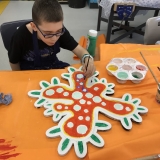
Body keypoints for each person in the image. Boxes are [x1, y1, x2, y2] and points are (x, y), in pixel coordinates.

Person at [8, 0, 95, 78]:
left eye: (58, 31)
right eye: (48, 33)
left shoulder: (60, 31)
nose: (54, 38)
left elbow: (79, 50)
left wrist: (87, 58)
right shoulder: (20, 36)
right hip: (29, 72)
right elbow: (14, 62)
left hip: (52, 66)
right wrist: (19, 78)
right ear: (34, 26)